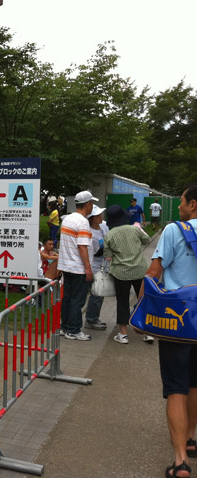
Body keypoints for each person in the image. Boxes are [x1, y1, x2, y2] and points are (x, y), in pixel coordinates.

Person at [145, 183, 197, 478]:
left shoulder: (174, 231)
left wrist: (143, 314)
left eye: (182, 202)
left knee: (176, 387)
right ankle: (190, 438)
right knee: (195, 383)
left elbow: (154, 272)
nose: (178, 207)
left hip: (179, 322)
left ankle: (180, 462)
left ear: (193, 205)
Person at [103, 205, 152, 345]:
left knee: (122, 301)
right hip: (139, 270)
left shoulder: (109, 235)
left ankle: (123, 335)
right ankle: (147, 333)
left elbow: (108, 257)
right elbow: (147, 240)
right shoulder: (134, 229)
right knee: (142, 299)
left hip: (121, 273)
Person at [57, 190, 97, 341]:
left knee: (67, 298)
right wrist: (88, 268)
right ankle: (73, 330)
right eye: (92, 203)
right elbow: (82, 246)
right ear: (87, 204)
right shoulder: (83, 222)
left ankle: (64, 327)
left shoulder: (67, 219)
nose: (92, 206)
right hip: (78, 267)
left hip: (66, 265)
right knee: (77, 300)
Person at [84, 205, 109, 330]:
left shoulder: (103, 226)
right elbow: (96, 252)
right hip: (95, 266)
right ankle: (91, 320)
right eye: (98, 215)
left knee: (100, 294)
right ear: (92, 218)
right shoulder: (90, 233)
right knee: (96, 293)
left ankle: (94, 317)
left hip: (104, 265)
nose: (101, 217)